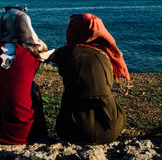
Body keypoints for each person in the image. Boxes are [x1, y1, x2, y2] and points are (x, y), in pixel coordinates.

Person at [53, 13, 130, 144]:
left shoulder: (65, 53)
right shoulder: (107, 54)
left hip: (74, 129)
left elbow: (47, 56)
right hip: (111, 128)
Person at [0, 7, 48, 145]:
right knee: (32, 88)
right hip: (22, 133)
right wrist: (35, 42)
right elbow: (42, 49)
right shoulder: (30, 56)